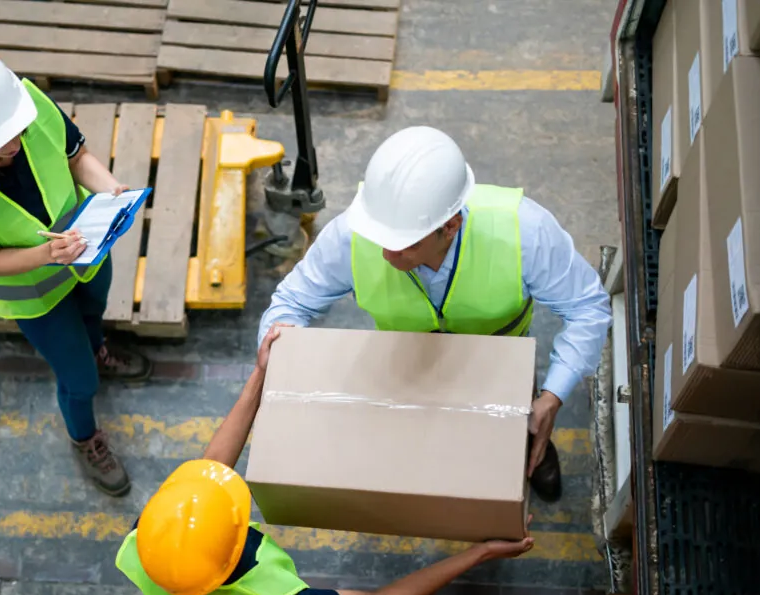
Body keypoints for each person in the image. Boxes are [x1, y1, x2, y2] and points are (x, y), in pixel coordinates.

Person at [115, 325, 535, 595]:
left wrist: (259, 375)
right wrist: (480, 552)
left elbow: (208, 470)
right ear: (231, 552)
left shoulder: (150, 541)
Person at [256, 126, 612, 503]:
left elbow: (587, 308)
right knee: (422, 443)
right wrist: (280, 352)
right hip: (405, 367)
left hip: (500, 364)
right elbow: (291, 302)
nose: (386, 256)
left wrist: (551, 397)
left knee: (519, 430)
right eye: (381, 239)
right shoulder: (355, 232)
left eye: (403, 245)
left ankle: (532, 452)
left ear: (451, 226)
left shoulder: (524, 232)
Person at [0, 43, 152, 497]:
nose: (17, 143)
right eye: (3, 145)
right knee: (79, 380)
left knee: (94, 313)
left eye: (18, 131)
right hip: (35, 292)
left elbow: (76, 157)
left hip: (87, 253)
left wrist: (111, 190)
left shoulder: (27, 104)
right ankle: (85, 438)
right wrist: (47, 256)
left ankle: (98, 348)